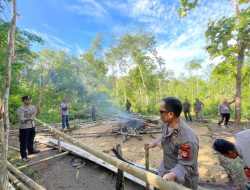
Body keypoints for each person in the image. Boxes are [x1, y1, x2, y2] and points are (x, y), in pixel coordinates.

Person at [147, 97, 199, 189]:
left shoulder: (187, 139)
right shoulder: (165, 125)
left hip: (181, 181)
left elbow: (186, 165)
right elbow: (164, 138)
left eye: (161, 112)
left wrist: (172, 174)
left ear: (170, 114)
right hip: (164, 170)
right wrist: (155, 143)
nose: (159, 114)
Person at [17, 95, 40, 162]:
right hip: (24, 127)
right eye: (27, 100)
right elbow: (21, 119)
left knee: (31, 139)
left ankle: (31, 150)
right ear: (24, 101)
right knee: (23, 142)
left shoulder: (33, 107)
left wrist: (38, 111)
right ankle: (24, 156)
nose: (29, 101)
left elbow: (35, 115)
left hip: (32, 126)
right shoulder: (21, 109)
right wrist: (29, 119)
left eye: (30, 99)